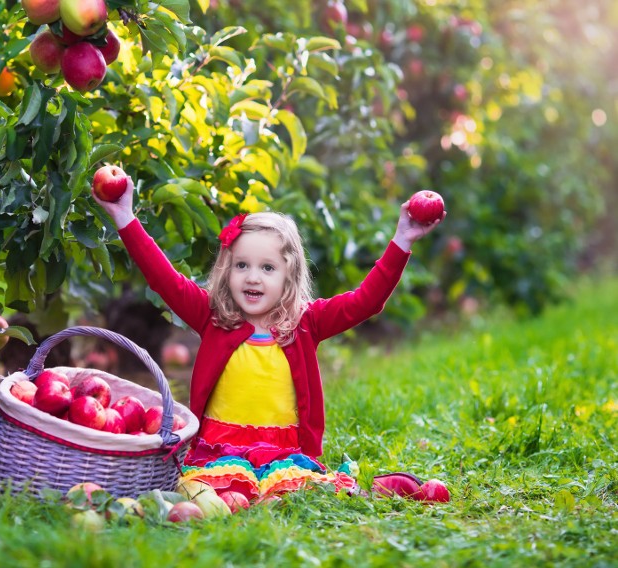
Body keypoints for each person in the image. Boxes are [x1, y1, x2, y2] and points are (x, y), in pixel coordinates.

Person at [93, 175, 448, 503]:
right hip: (220, 448)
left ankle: (379, 490)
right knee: (211, 493)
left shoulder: (306, 323)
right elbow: (164, 279)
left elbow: (365, 301)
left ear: (288, 275)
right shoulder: (212, 316)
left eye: (267, 268)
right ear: (227, 269)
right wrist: (125, 216)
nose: (253, 278)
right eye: (242, 265)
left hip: (282, 452)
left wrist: (402, 240)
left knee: (292, 493)